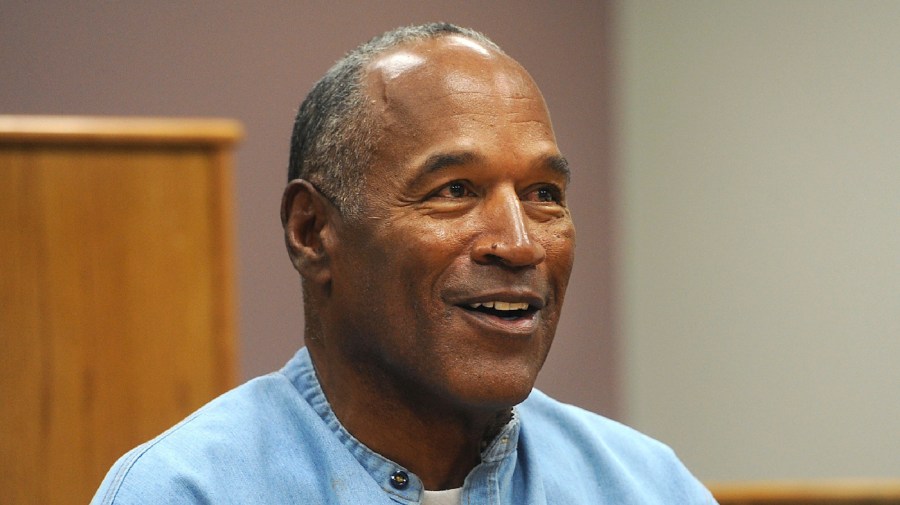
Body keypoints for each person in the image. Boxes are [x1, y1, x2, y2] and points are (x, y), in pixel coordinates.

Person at [92, 23, 716, 504]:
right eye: (455, 190)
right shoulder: (188, 491)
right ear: (312, 232)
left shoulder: (645, 485)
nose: (520, 243)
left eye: (544, 195)